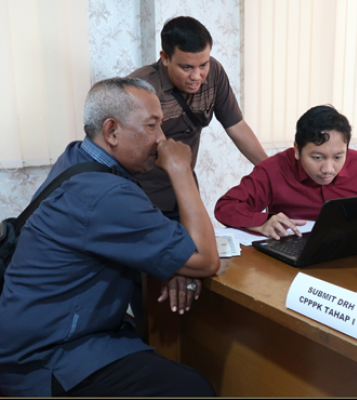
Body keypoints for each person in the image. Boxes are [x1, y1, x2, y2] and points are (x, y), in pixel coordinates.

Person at [0, 77, 220, 397]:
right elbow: (206, 258)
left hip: (31, 336)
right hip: (46, 358)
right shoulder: (106, 193)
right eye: (151, 126)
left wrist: (175, 263)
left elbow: (164, 241)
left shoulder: (77, 158)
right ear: (112, 131)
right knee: (193, 388)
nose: (161, 140)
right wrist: (180, 169)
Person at [127, 16, 268, 221]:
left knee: (201, 250)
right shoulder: (141, 87)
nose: (197, 76)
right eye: (186, 67)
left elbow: (236, 125)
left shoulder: (215, 73)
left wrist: (272, 170)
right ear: (165, 58)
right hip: (142, 196)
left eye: (203, 65)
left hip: (185, 191)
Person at [214, 105, 357, 240]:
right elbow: (226, 207)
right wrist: (262, 222)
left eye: (338, 157)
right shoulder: (274, 169)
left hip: (351, 251)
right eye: (318, 158)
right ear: (297, 150)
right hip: (291, 251)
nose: (328, 169)